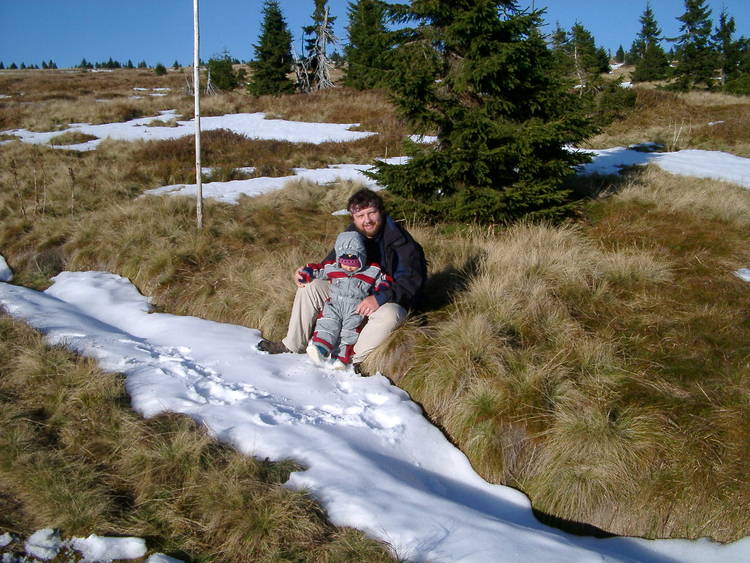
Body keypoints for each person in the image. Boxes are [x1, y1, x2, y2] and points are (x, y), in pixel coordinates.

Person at [257, 188, 427, 369]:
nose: (367, 220)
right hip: (348, 294)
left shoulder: (401, 242)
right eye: (360, 215)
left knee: (391, 315)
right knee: (311, 286)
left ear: (381, 212)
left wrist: (379, 298)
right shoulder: (351, 236)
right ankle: (293, 344)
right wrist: (306, 272)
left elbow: (410, 283)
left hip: (385, 299)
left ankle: (357, 358)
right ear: (353, 217)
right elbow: (331, 265)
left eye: (371, 213)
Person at [302, 230, 392, 369]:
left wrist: (381, 289)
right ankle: (320, 348)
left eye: (353, 263)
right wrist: (306, 273)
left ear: (362, 258)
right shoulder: (333, 268)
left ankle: (341, 358)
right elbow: (319, 269)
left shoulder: (371, 270)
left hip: (356, 308)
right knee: (328, 323)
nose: (349, 267)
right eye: (344, 263)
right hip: (335, 305)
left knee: (349, 332)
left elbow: (385, 279)